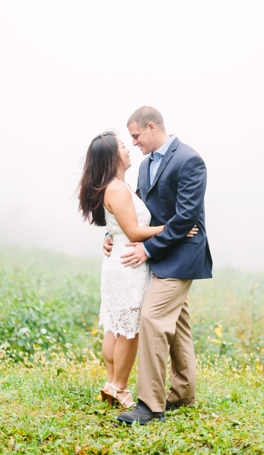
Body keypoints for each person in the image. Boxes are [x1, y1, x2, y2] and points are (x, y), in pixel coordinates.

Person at [103, 106, 213, 425]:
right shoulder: (145, 166)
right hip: (161, 253)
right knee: (178, 325)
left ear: (152, 128)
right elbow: (135, 210)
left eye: (136, 136)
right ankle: (183, 393)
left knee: (151, 319)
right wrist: (111, 235)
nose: (134, 143)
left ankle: (150, 406)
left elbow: (187, 218)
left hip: (182, 255)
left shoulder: (189, 160)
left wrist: (148, 249)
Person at [77, 132, 197, 409]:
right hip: (130, 262)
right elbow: (132, 230)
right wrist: (173, 230)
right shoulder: (117, 188)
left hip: (121, 259)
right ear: (111, 155)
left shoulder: (119, 186)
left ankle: (111, 383)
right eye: (122, 145)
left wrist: (110, 235)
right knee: (129, 329)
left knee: (115, 327)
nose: (128, 148)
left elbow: (119, 225)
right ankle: (120, 387)